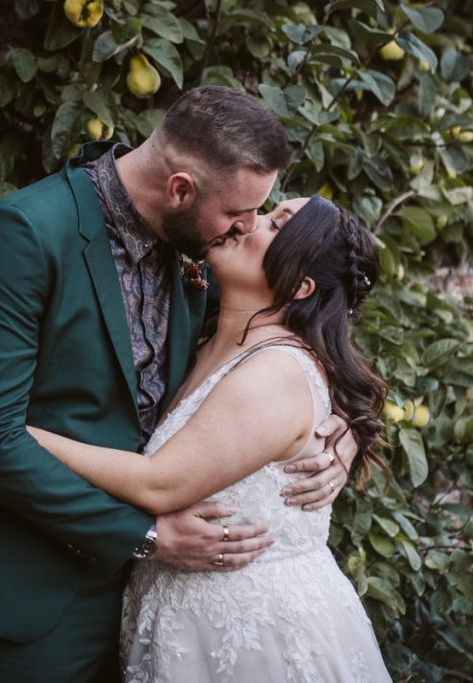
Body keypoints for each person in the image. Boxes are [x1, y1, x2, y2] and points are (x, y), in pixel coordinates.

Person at [0, 86, 358, 682]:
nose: (247, 228)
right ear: (180, 188)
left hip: (149, 610)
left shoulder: (195, 249)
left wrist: (343, 428)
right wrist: (147, 535)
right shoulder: (23, 236)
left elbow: (281, 345)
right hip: (26, 596)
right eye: (238, 214)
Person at [28, 195, 393, 681]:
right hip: (186, 625)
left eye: (276, 223)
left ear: (301, 286)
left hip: (256, 635)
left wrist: (18, 433)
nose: (250, 221)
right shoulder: (200, 339)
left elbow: (158, 483)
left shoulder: (276, 372)